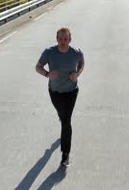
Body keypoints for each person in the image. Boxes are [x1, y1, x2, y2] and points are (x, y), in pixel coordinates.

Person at [35, 28, 85, 167]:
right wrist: (47, 74)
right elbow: (38, 67)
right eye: (61, 39)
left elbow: (82, 64)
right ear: (57, 39)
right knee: (63, 116)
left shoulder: (76, 53)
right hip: (55, 91)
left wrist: (78, 74)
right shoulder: (49, 52)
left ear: (70, 39)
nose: (63, 42)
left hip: (71, 92)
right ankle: (61, 117)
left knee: (66, 121)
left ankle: (65, 154)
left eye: (66, 39)